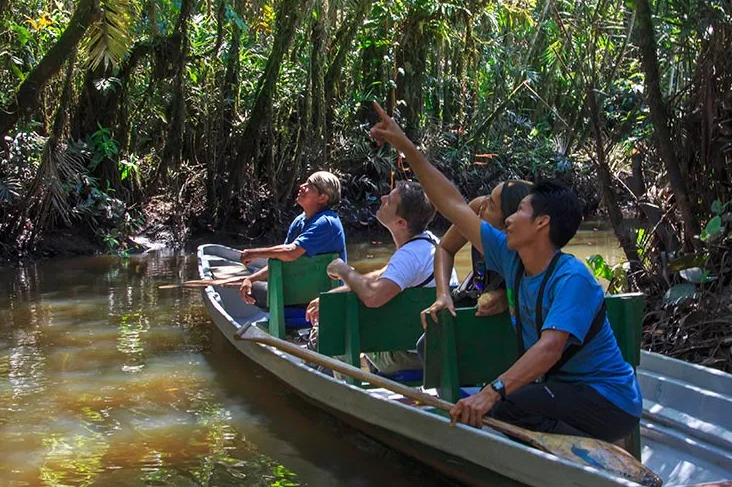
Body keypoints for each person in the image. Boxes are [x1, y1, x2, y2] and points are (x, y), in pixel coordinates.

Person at [369, 102, 641, 443]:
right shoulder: (512, 258)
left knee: (502, 407)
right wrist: (405, 145)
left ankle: (582, 449)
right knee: (503, 407)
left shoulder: (572, 278)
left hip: (608, 401)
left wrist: (491, 391)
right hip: (558, 389)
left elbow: (550, 349)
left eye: (520, 212)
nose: (508, 219)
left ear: (542, 223)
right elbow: (451, 204)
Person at [305, 181, 457, 374]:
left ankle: (315, 384)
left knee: (331, 337)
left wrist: (343, 269)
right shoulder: (431, 243)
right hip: (437, 349)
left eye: (390, 200)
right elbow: (379, 275)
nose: (383, 198)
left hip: (410, 356)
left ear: (401, 223)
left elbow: (373, 297)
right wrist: (331, 296)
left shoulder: (408, 256)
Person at [422, 180, 533, 329]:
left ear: (508, 225)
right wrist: (443, 294)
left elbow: (537, 287)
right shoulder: (477, 209)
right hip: (477, 288)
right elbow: (445, 248)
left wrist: (507, 297)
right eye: (488, 197)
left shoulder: (526, 249)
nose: (483, 203)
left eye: (491, 205)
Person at [238, 171, 347, 308]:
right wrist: (250, 278)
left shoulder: (327, 222)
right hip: (299, 297)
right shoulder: (299, 221)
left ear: (323, 198)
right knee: (253, 283)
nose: (302, 186)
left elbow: (290, 252)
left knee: (255, 289)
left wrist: (253, 253)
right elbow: (282, 260)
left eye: (310, 185)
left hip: (320, 300)